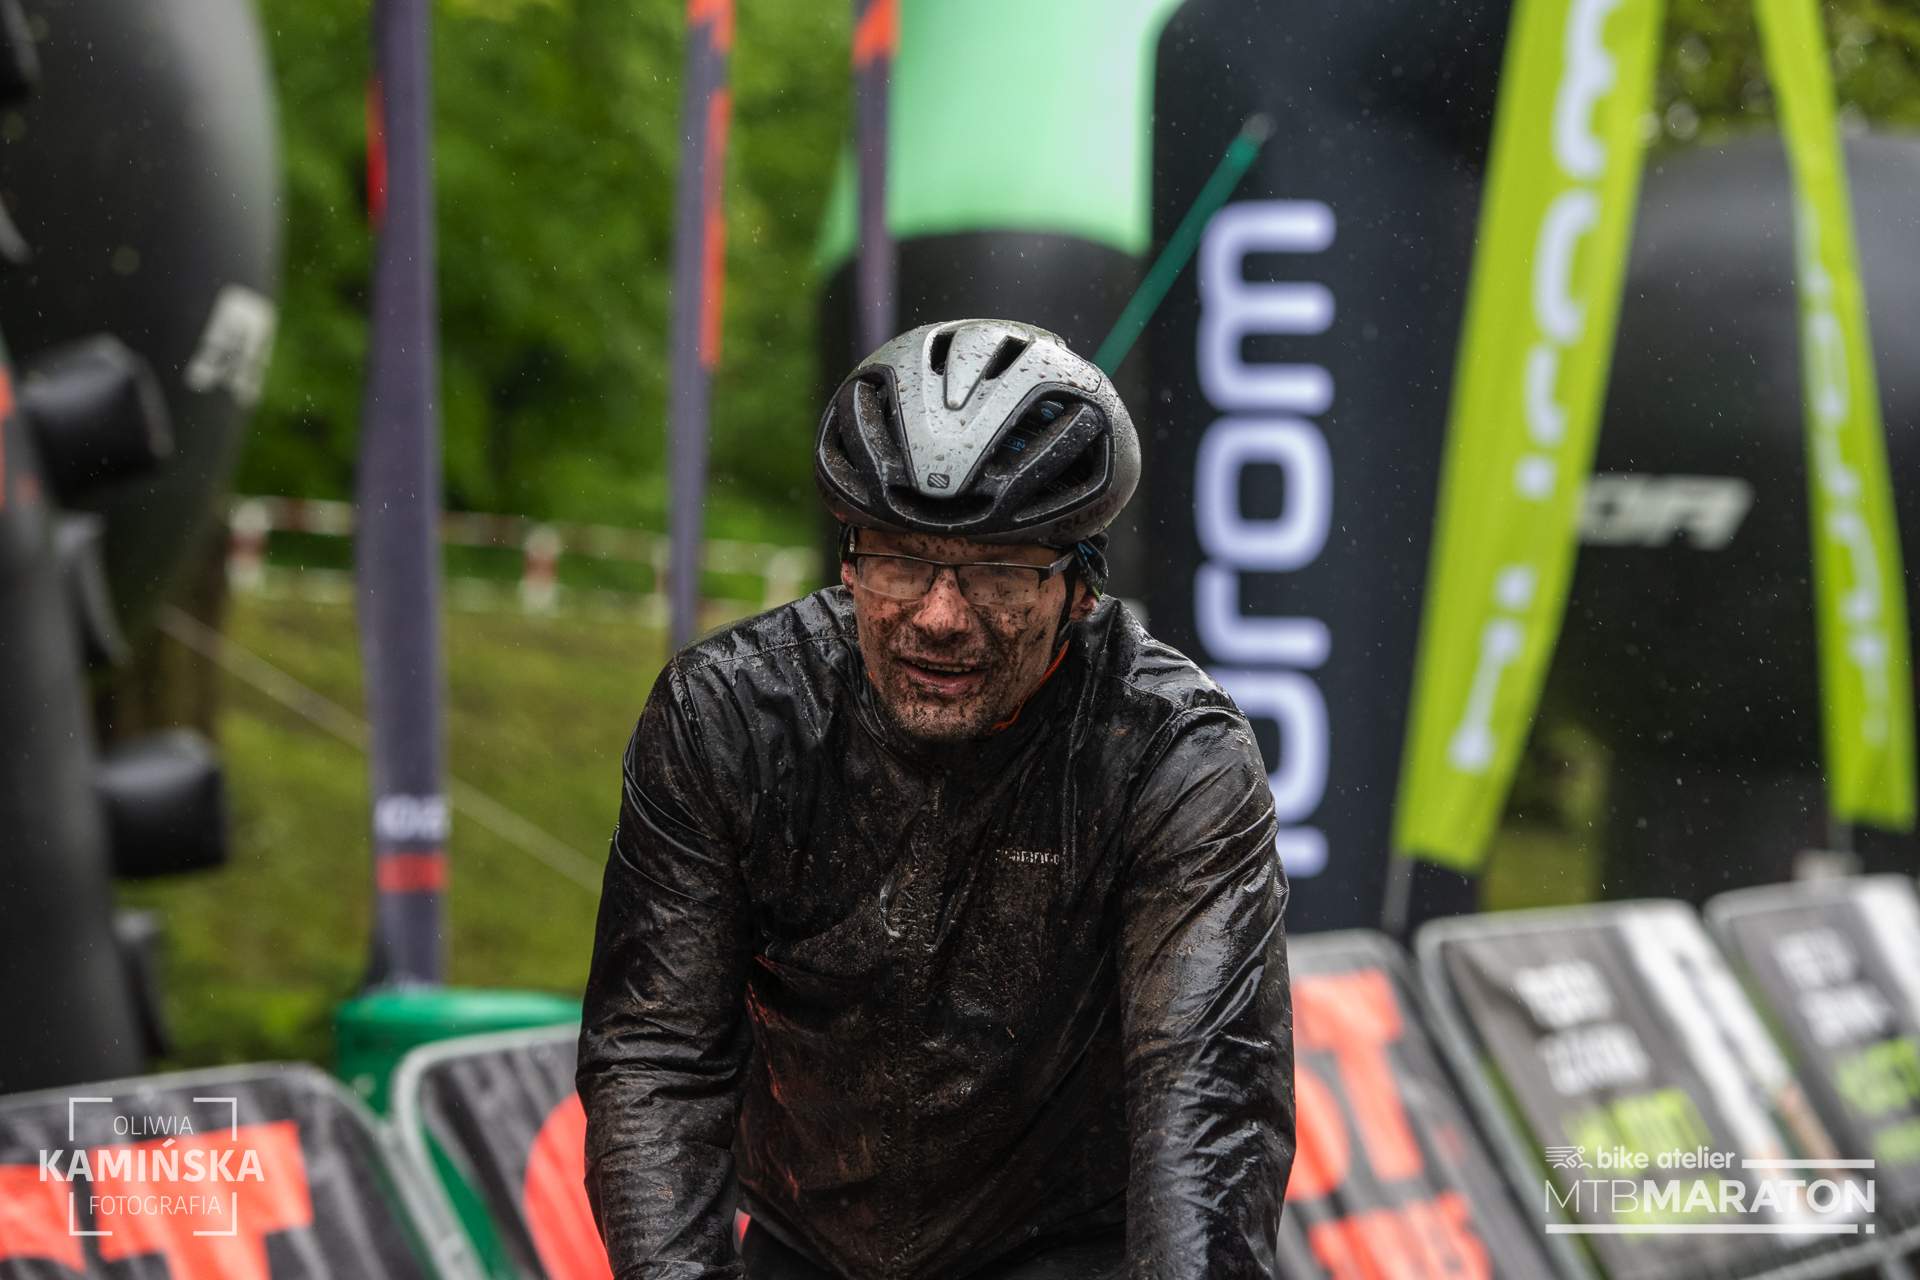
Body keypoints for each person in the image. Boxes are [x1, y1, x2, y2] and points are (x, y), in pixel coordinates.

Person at [578, 319, 1294, 1279]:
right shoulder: (732, 718)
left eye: (998, 572)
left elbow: (1205, 1099)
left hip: (1067, 1249)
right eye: (900, 562)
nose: (941, 616)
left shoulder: (1171, 756)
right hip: (811, 1246)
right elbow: (658, 1056)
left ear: (1079, 589)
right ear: (848, 562)